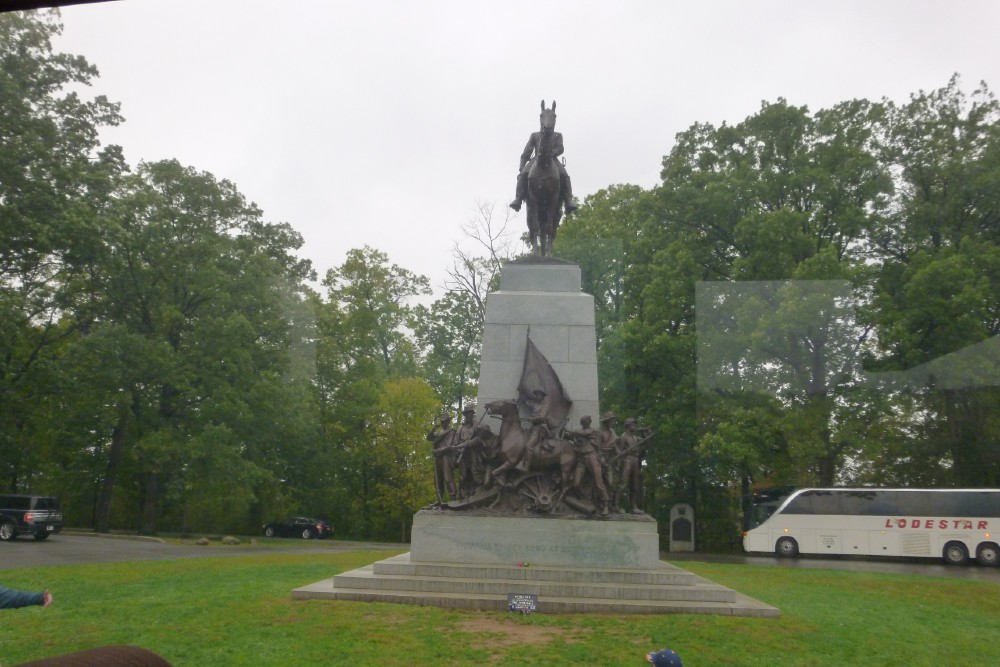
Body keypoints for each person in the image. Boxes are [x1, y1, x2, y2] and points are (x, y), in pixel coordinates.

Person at [509, 103, 577, 215]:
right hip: (536, 160)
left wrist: (552, 153)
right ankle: (518, 199)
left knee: (565, 176)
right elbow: (527, 152)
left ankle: (568, 201)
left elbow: (560, 148)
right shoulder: (535, 135)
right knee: (523, 175)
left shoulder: (558, 135)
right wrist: (522, 166)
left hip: (553, 159)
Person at [564, 415, 610, 515]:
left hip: (592, 457)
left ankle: (605, 504)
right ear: (582, 423)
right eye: (584, 421)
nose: (587, 422)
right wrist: (565, 432)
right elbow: (571, 436)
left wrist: (569, 430)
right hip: (581, 460)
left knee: (599, 482)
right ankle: (584, 500)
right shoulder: (579, 433)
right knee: (576, 483)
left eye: (588, 421)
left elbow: (583, 433)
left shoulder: (593, 431)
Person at [427, 412, 458, 504]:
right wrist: (433, 429)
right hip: (438, 458)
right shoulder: (439, 432)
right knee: (437, 479)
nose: (443, 423)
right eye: (442, 421)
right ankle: (439, 499)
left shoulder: (451, 431)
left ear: (448, 421)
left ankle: (453, 498)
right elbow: (429, 438)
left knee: (448, 478)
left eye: (444, 421)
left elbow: (448, 446)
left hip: (446, 457)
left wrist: (436, 451)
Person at [618, 417, 647, 514]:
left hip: (635, 460)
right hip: (627, 460)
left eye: (635, 425)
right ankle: (616, 505)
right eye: (633, 424)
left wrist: (644, 432)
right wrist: (619, 465)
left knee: (634, 485)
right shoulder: (623, 437)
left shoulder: (635, 437)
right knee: (623, 483)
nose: (635, 427)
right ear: (628, 425)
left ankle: (633, 506)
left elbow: (646, 442)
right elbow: (620, 452)